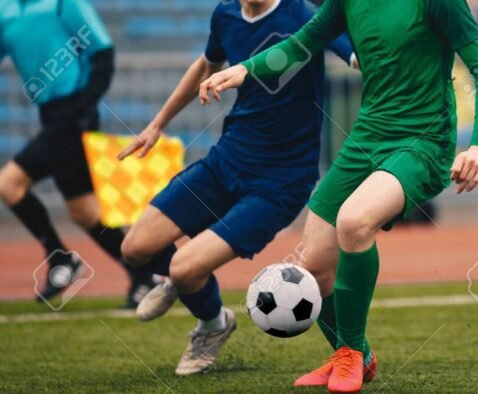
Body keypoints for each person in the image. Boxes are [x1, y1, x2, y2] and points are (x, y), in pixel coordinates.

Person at [199, 0, 478, 391]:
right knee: (314, 265)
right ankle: (356, 353)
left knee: (354, 222)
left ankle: (350, 356)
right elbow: (300, 44)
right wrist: (244, 69)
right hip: (366, 136)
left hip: (423, 141)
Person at [118, 0, 357, 376]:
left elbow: (358, 56)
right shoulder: (225, 15)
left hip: (280, 183)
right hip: (226, 160)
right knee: (134, 247)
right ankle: (187, 284)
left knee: (184, 268)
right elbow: (206, 64)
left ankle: (210, 322)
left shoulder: (304, 15)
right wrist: (157, 123)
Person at [0, 0, 156, 308]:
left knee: (9, 184)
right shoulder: (5, 10)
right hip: (50, 114)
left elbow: (103, 53)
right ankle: (144, 278)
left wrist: (84, 107)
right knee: (84, 212)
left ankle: (60, 259)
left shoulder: (63, 3)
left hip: (74, 117)